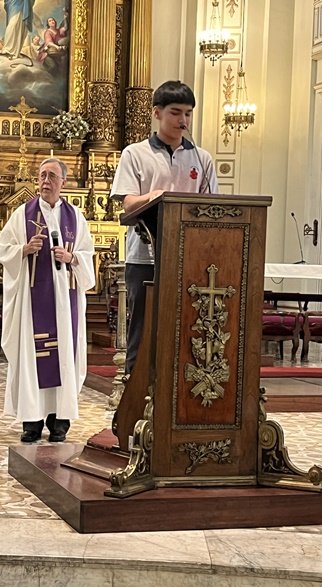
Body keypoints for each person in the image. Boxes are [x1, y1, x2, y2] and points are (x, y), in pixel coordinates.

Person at [110, 80, 218, 375]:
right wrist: (154, 196)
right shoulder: (135, 153)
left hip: (189, 258)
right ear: (157, 113)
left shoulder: (202, 158)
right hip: (145, 258)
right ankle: (136, 387)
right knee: (143, 328)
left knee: (187, 327)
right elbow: (128, 204)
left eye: (188, 113)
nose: (183, 120)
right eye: (175, 112)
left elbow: (212, 209)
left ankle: (180, 388)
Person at [0, 158, 95, 443]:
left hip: (65, 302)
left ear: (63, 182)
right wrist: (24, 249)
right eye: (42, 175)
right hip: (34, 302)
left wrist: (71, 257)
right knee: (32, 357)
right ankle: (32, 421)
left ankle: (59, 421)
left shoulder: (76, 218)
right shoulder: (22, 215)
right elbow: (3, 248)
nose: (45, 181)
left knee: (64, 355)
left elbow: (88, 254)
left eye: (52, 176)